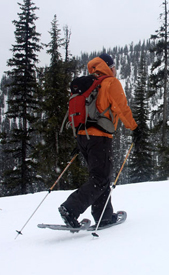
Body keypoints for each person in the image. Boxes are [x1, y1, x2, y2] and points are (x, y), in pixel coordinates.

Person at [59, 53, 143, 228]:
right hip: (99, 138)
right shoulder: (110, 83)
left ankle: (104, 217)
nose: (115, 70)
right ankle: (71, 208)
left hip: (83, 136)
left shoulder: (88, 83)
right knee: (100, 179)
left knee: (100, 177)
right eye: (114, 66)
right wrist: (134, 128)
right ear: (109, 66)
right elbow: (122, 108)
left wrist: (80, 139)